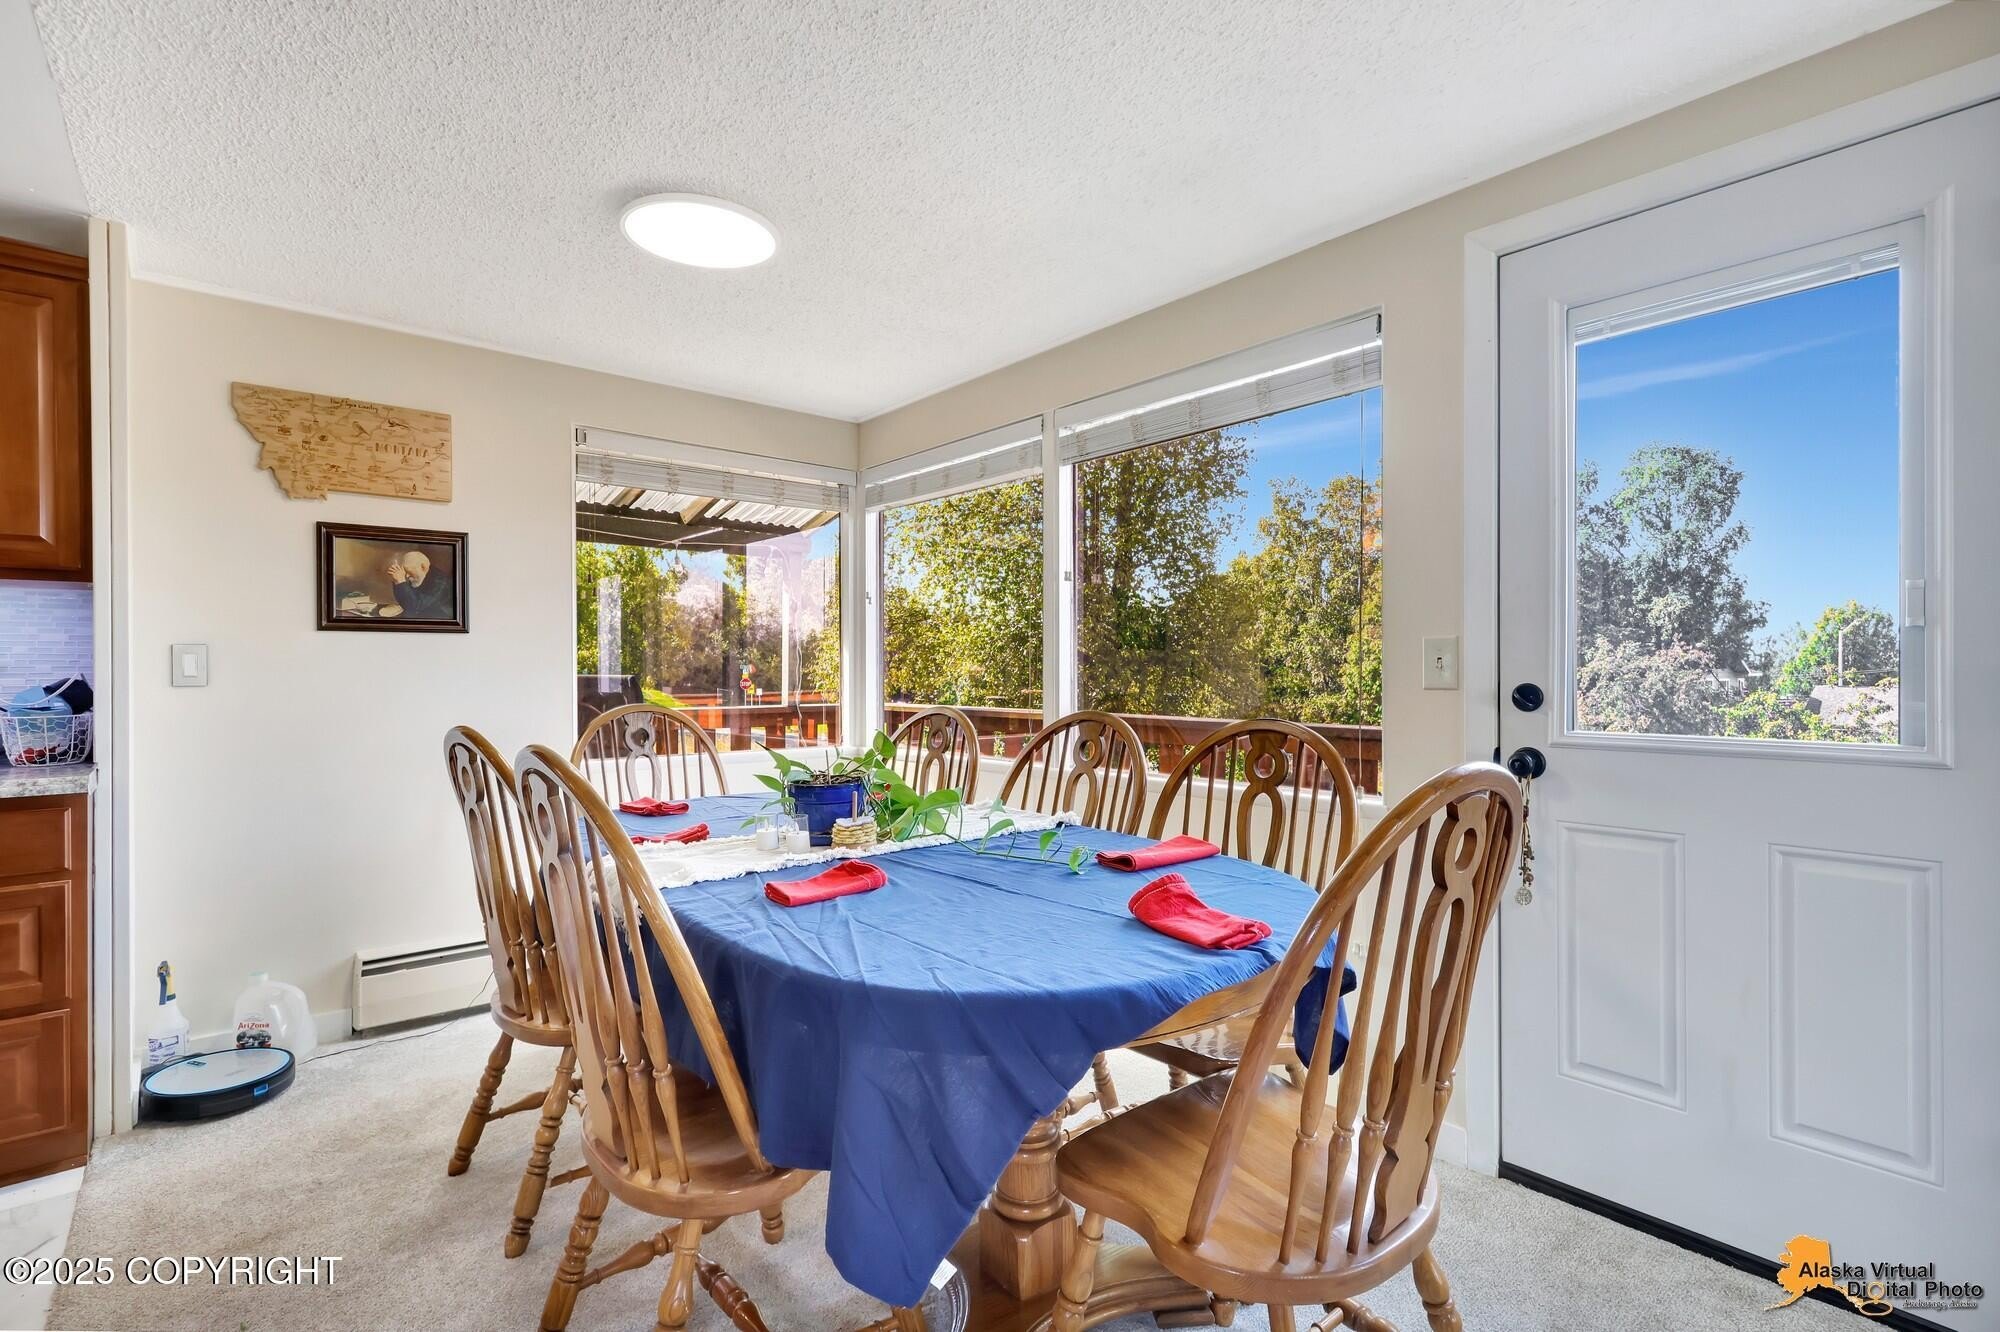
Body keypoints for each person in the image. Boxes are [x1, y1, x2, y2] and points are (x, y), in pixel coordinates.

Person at [386, 549, 454, 619]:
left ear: (423, 567)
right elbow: (406, 601)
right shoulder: (418, 576)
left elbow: (415, 607)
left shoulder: (440, 582)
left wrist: (401, 581)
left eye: (409, 572)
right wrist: (397, 581)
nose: (407, 576)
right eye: (405, 572)